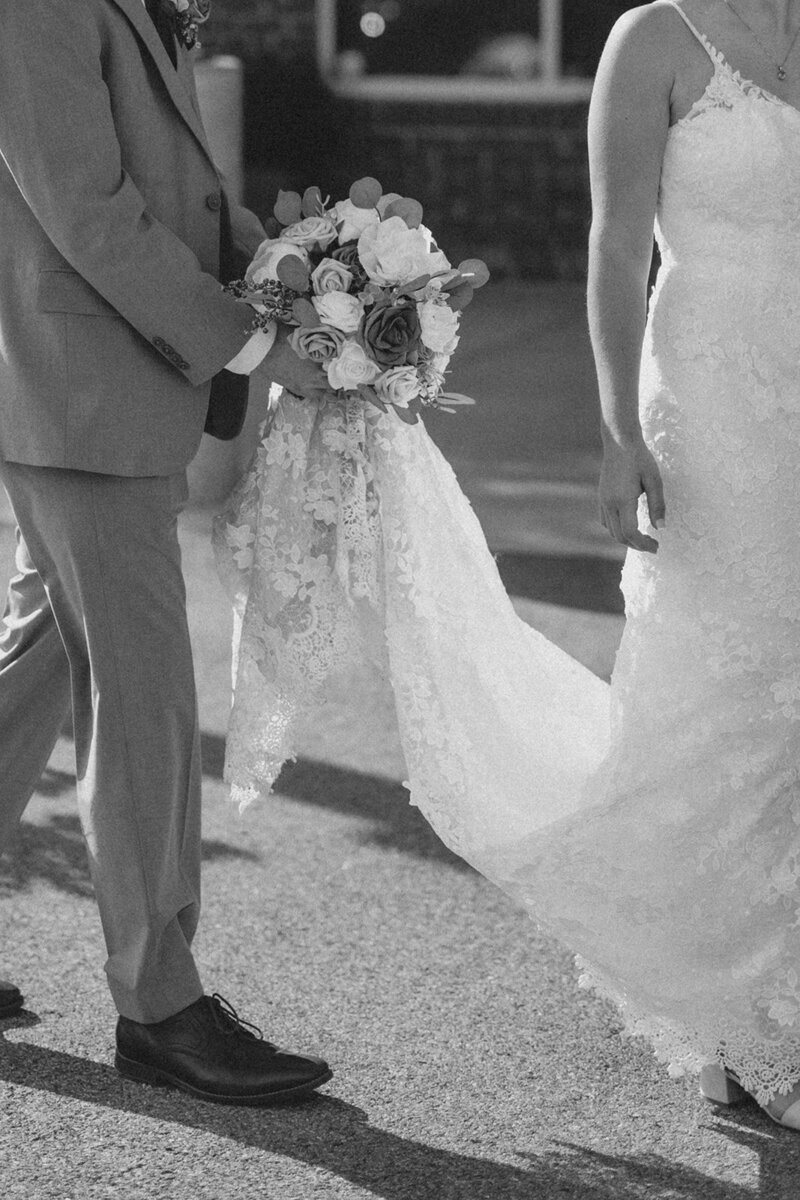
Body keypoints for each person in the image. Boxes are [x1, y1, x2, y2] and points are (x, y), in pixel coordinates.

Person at [214, 0, 800, 1129]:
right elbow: (616, 242)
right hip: (716, 403)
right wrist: (617, 435)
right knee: (733, 694)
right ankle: (741, 1016)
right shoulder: (656, 38)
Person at [0, 0, 335, 1105]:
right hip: (76, 391)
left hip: (99, 388)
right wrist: (247, 342)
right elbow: (89, 214)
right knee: (141, 696)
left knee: (35, 665)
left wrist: (305, 269)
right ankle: (160, 1005)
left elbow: (166, 186)